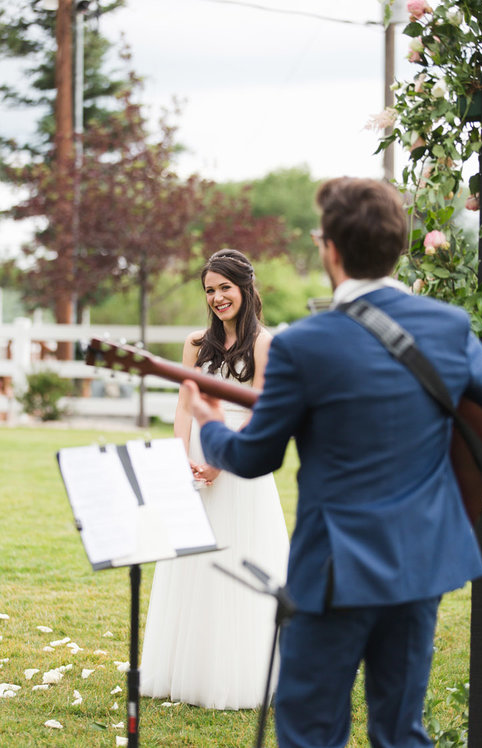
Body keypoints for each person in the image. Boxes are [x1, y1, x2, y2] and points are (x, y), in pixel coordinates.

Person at [184, 177, 482, 747]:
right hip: (418, 561)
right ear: (399, 245)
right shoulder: (448, 328)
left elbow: (254, 456)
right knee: (401, 731)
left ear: (329, 248)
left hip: (333, 570)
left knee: (311, 733)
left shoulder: (306, 344)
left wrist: (207, 423)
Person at [140, 249, 290, 710]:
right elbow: (185, 406)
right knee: (192, 566)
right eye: (210, 290)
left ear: (245, 288)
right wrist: (179, 458)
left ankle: (239, 674)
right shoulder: (194, 344)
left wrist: (223, 461)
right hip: (195, 462)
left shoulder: (265, 344)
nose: (218, 297)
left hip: (240, 464)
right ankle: (186, 668)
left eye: (225, 287)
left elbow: (262, 412)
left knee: (238, 563)